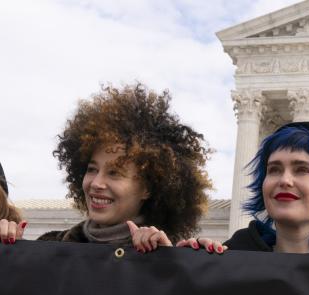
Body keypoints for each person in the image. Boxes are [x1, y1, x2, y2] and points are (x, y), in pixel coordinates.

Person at [174, 121, 309, 265]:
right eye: (274, 170)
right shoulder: (228, 261)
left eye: (302, 169)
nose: (284, 180)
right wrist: (167, 264)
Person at [40, 83, 210, 248]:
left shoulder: (169, 256)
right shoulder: (48, 248)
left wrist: (169, 268)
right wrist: (13, 249)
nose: (96, 183)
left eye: (114, 172)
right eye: (92, 169)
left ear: (147, 189)